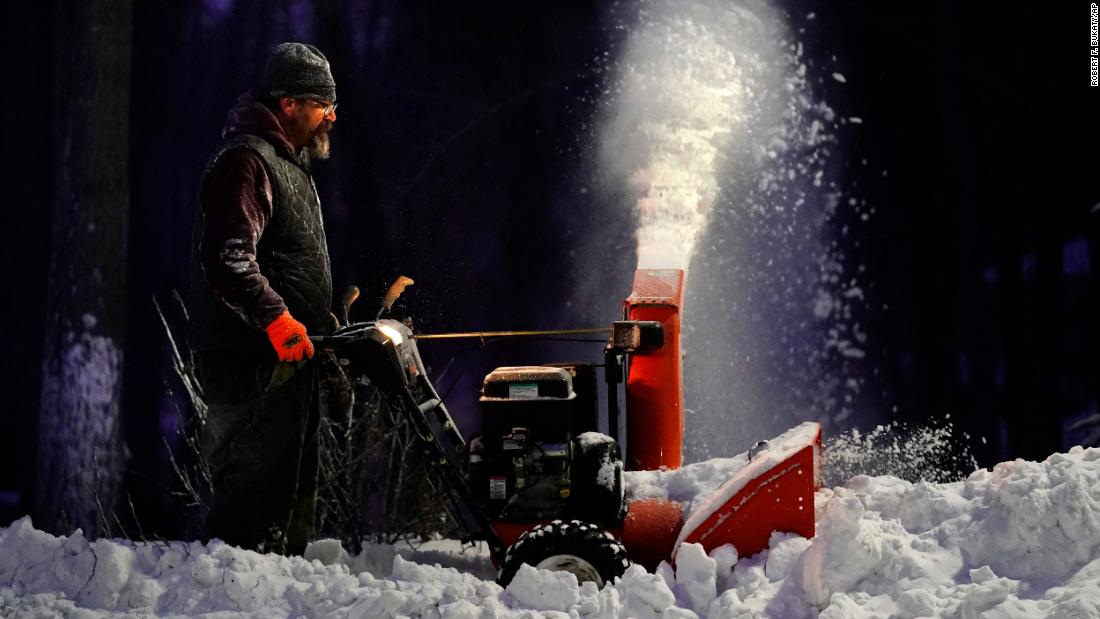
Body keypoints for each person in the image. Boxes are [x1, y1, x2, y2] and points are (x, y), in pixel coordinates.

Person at [190, 42, 338, 554]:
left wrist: (331, 341)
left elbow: (295, 269)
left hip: (290, 362)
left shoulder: (290, 167)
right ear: (289, 104)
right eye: (322, 103)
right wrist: (276, 322)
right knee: (249, 503)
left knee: (287, 503)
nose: (331, 116)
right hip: (251, 364)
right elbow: (228, 259)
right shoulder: (246, 162)